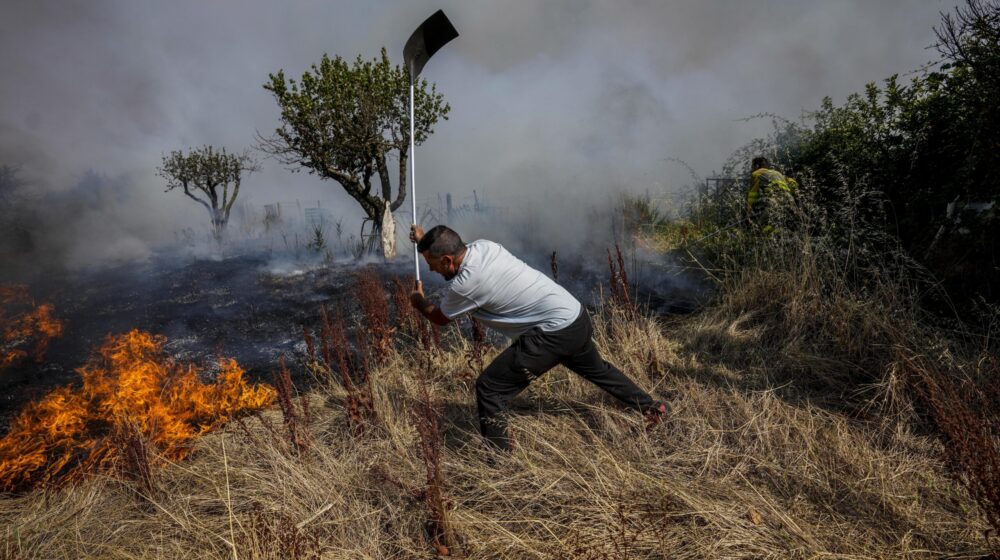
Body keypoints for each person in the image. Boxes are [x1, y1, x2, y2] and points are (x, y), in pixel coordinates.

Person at [408, 224, 670, 451]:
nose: (431, 272)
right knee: (598, 370)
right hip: (574, 316)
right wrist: (423, 242)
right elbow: (448, 245)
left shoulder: (466, 283)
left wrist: (418, 301)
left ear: (447, 260)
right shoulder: (484, 247)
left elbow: (441, 318)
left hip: (553, 332)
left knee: (490, 388)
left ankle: (498, 462)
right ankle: (652, 407)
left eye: (433, 266)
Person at [746, 157, 799, 233]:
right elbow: (792, 183)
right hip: (789, 199)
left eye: (752, 166)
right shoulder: (777, 173)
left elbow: (753, 193)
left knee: (761, 226)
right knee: (788, 221)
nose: (752, 168)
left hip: (773, 200)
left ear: (756, 166)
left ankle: (759, 232)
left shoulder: (757, 173)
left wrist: (749, 208)